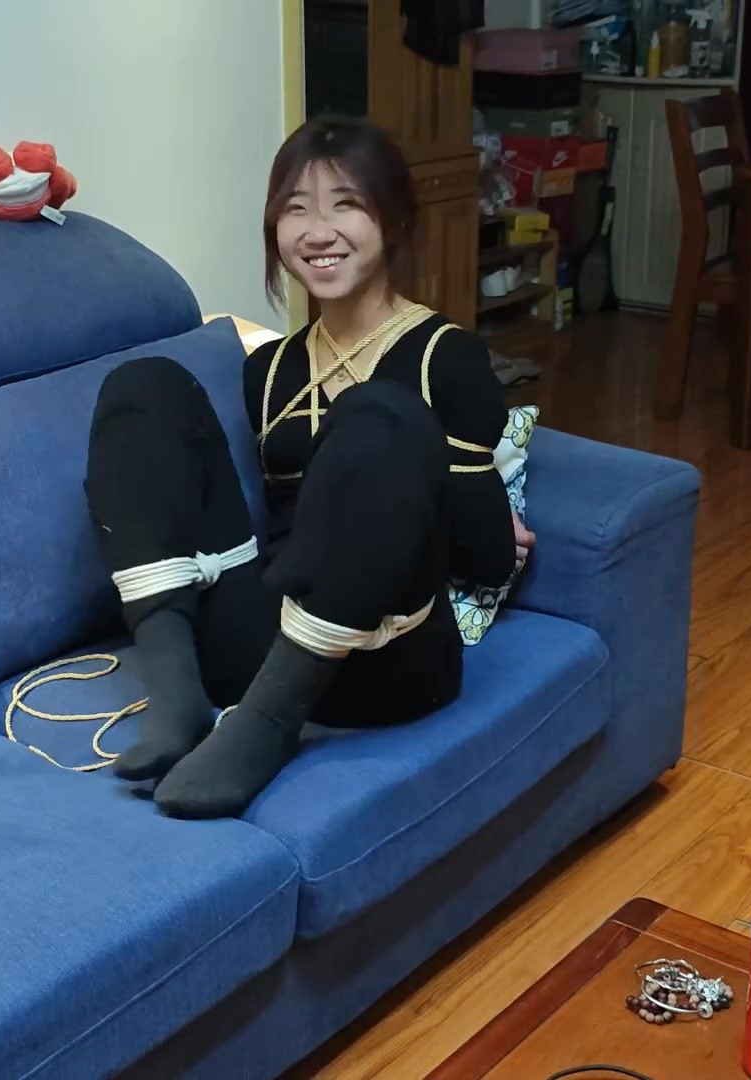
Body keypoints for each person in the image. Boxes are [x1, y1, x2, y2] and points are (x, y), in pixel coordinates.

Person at [83, 117, 532, 819]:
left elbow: (488, 559)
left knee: (380, 413)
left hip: (388, 657)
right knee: (143, 385)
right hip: (260, 643)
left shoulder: (447, 358)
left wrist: (461, 500)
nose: (318, 232)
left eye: (346, 205)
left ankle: (266, 726)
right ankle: (177, 700)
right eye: (296, 210)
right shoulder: (267, 369)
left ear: (394, 217)